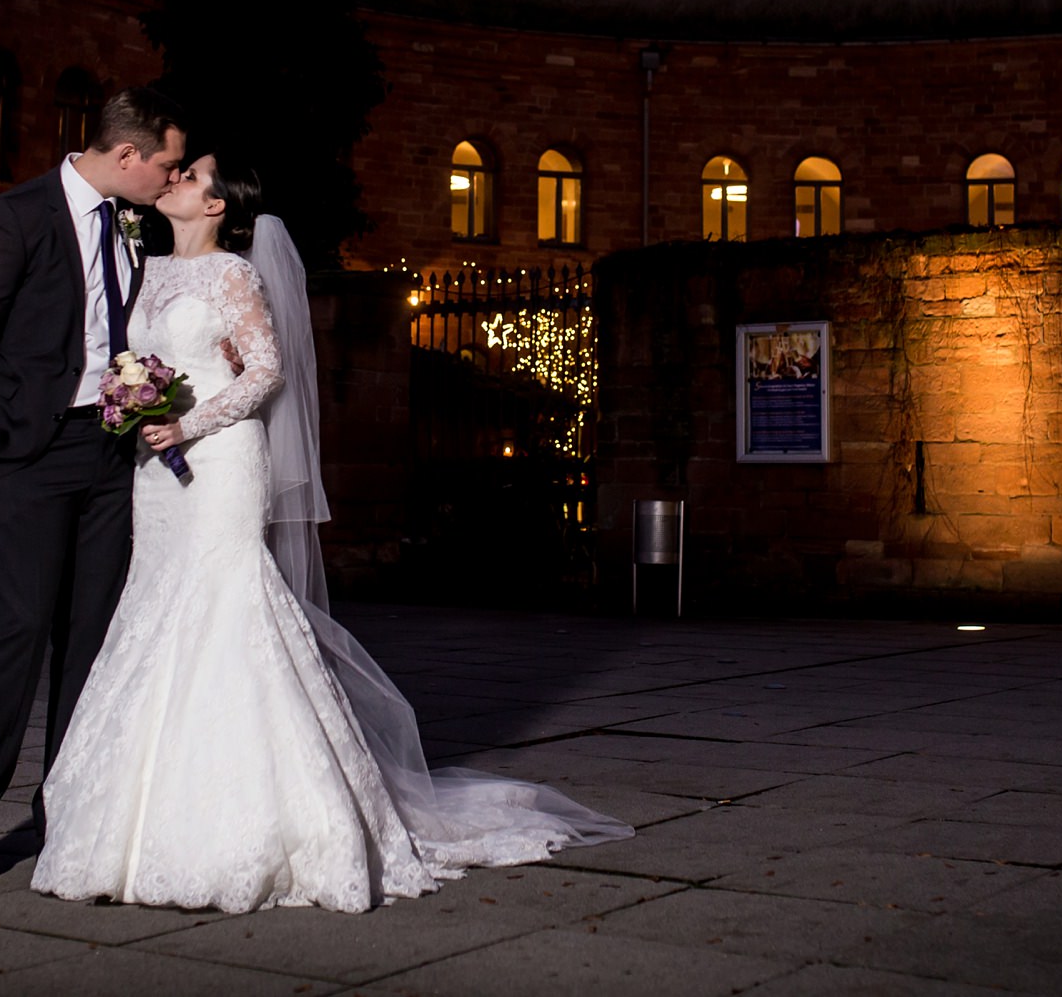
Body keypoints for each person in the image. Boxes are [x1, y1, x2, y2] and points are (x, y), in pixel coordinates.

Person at [32, 153, 629, 913]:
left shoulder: (234, 275)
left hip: (220, 464)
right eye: (177, 169)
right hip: (158, 474)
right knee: (154, 605)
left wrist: (189, 420)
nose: (176, 175)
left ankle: (261, 820)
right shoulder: (144, 270)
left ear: (217, 206)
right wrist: (133, 401)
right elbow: (129, 358)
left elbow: (266, 371)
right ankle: (126, 824)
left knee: (227, 609)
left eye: (194, 174)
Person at [0, 87, 188, 905]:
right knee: (16, 634)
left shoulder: (133, 224)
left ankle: (64, 819)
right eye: (166, 163)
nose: (171, 176)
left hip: (109, 458)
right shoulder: (16, 215)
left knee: (89, 649)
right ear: (125, 156)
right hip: (28, 459)